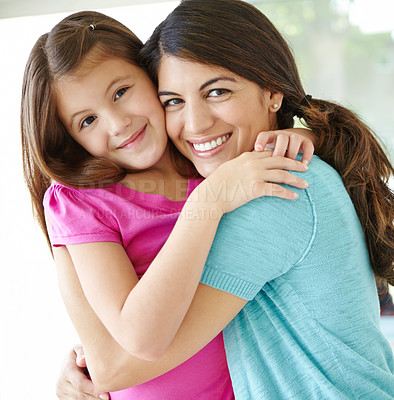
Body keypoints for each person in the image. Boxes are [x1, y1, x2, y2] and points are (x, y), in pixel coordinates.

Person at [55, 0, 394, 399]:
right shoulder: (267, 174)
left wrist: (64, 232)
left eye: (217, 91)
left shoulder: (276, 192)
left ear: (272, 91)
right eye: (173, 102)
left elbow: (120, 363)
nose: (196, 124)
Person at [21, 9, 313, 400]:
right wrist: (207, 203)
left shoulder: (207, 158)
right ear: (71, 138)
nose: (118, 123)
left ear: (152, 74)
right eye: (87, 121)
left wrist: (303, 136)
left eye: (121, 92)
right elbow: (138, 338)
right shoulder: (81, 203)